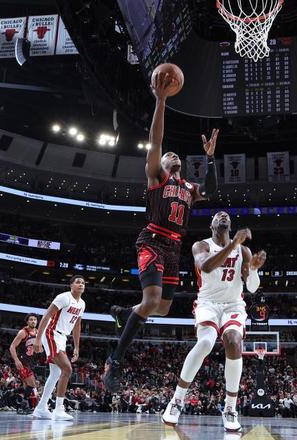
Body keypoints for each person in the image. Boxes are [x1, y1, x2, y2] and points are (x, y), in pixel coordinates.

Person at [103, 69, 219, 392]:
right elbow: (156, 140)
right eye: (169, 155)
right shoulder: (157, 176)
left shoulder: (189, 187)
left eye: (175, 154)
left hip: (174, 247)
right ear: (162, 163)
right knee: (152, 299)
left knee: (164, 308)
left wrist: (210, 159)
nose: (172, 155)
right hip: (153, 240)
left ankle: (124, 313)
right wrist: (161, 100)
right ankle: (115, 360)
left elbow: (211, 190)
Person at [161, 211, 266, 432]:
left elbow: (252, 288)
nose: (223, 217)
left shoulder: (243, 251)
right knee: (205, 343)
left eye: (226, 216)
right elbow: (206, 267)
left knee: (234, 341)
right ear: (211, 225)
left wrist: (254, 269)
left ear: (231, 225)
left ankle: (230, 408)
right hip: (207, 303)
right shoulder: (201, 245)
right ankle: (177, 400)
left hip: (233, 305)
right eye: (218, 216)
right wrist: (233, 243)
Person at [32, 275, 85, 420]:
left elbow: (77, 325)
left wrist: (76, 347)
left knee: (55, 373)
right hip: (51, 333)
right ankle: (59, 409)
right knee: (67, 369)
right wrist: (38, 338)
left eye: (83, 283)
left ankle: (41, 408)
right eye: (78, 282)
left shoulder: (82, 304)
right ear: (71, 285)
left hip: (62, 337)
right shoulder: (63, 297)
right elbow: (47, 315)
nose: (81, 284)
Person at [9, 313, 40, 414]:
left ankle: (17, 400)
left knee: (27, 386)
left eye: (35, 320)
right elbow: (12, 347)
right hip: (22, 362)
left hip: (31, 362)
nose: (33, 321)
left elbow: (38, 348)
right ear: (27, 321)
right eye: (31, 319)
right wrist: (16, 360)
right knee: (32, 384)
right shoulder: (23, 332)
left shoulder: (38, 332)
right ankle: (23, 405)